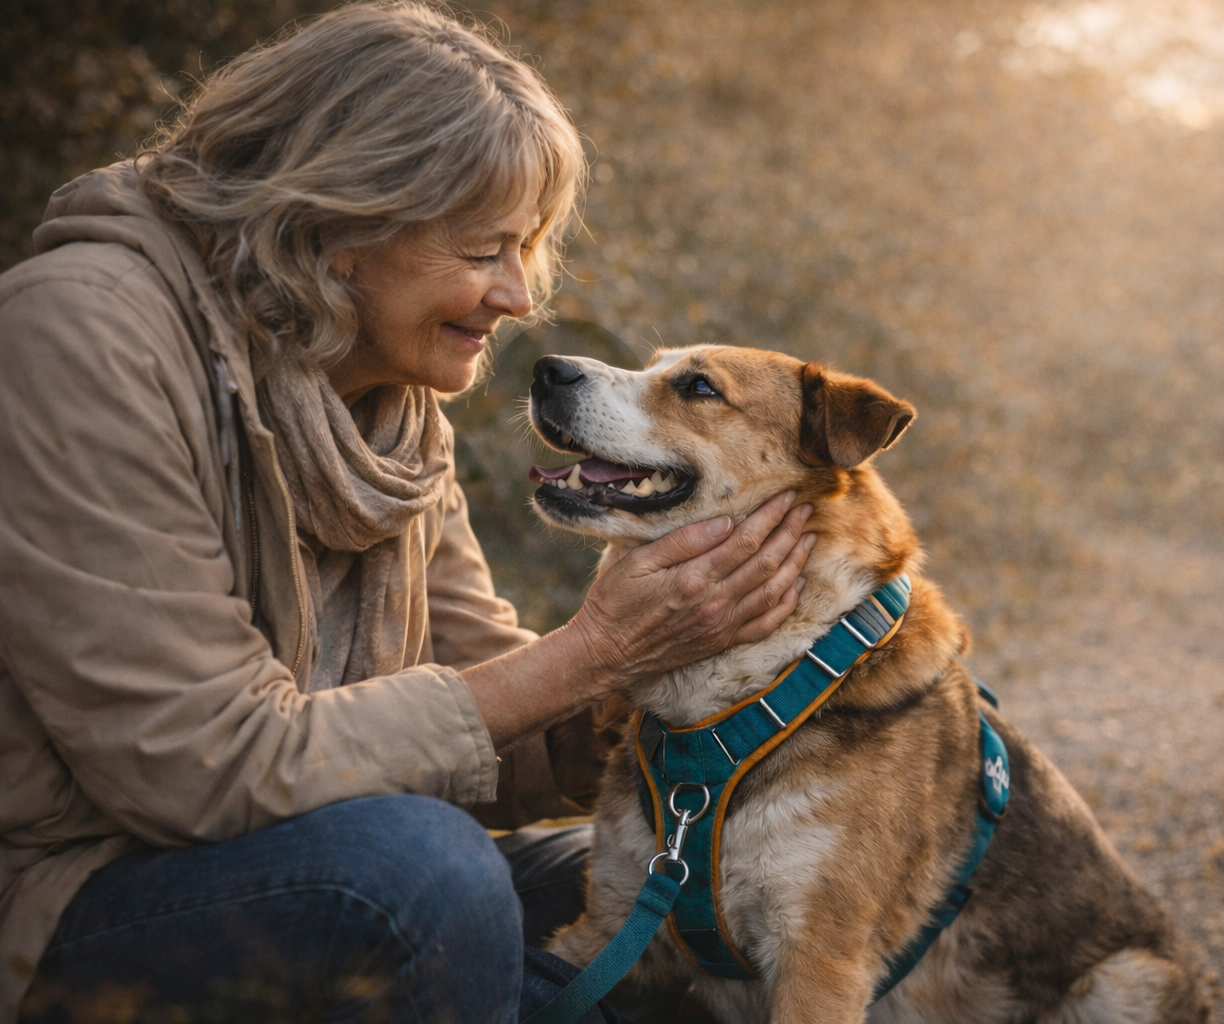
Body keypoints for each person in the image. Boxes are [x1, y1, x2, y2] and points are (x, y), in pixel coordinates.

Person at [0, 4, 816, 1022]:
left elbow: (496, 726)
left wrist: (761, 674)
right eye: (484, 249)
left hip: (315, 851)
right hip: (75, 894)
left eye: (527, 247)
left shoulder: (387, 406)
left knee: (690, 896)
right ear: (340, 223)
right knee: (423, 874)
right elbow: (201, 766)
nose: (518, 295)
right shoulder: (84, 337)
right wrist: (598, 650)